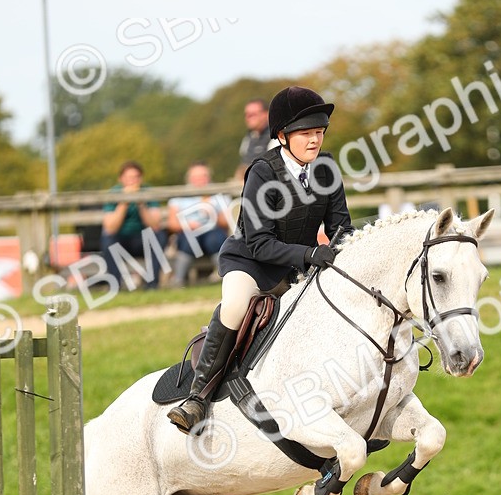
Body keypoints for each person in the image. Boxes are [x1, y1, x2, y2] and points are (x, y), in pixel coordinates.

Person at [168, 86, 353, 434]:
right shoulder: (262, 172)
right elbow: (259, 242)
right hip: (252, 262)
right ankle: (197, 397)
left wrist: (344, 252)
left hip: (300, 265)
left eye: (320, 132)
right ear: (282, 136)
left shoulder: (326, 168)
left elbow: (341, 226)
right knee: (236, 305)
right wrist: (310, 253)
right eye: (306, 134)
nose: (315, 140)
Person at [101, 160, 166, 289]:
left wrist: (140, 202)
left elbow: (154, 225)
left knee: (159, 236)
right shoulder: (114, 194)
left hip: (142, 240)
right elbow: (110, 228)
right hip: (121, 240)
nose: (132, 181)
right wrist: (124, 202)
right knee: (107, 239)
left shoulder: (148, 191)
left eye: (136, 177)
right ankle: (115, 287)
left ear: (141, 179)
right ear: (121, 179)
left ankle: (152, 286)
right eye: (129, 178)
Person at [166, 162, 232, 287]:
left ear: (209, 177)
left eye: (203, 176)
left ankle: (225, 278)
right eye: (196, 176)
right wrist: (187, 225)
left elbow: (227, 222)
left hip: (213, 231)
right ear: (189, 178)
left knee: (215, 239)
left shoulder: (219, 194)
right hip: (189, 232)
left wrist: (212, 214)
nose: (200, 180)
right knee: (188, 240)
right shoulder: (180, 196)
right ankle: (178, 281)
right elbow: (172, 224)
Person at [235, 98, 272, 179]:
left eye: (252, 114)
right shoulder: (248, 138)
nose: (248, 118)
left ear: (265, 114)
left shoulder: (276, 137)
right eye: (246, 115)